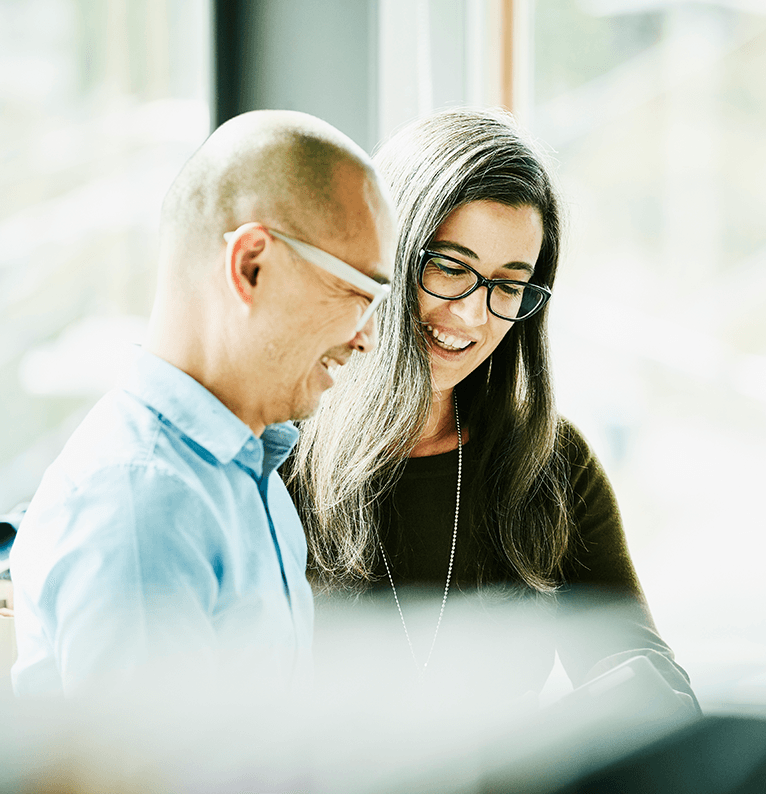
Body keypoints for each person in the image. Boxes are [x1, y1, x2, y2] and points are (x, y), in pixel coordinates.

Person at [288, 107, 698, 707]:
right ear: (384, 253)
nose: (472, 315)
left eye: (508, 285)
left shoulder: (549, 462)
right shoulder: (276, 453)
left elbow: (655, 685)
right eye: (450, 267)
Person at [9, 109, 395, 697]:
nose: (367, 337)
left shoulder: (245, 472)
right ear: (251, 266)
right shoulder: (143, 503)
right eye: (357, 293)